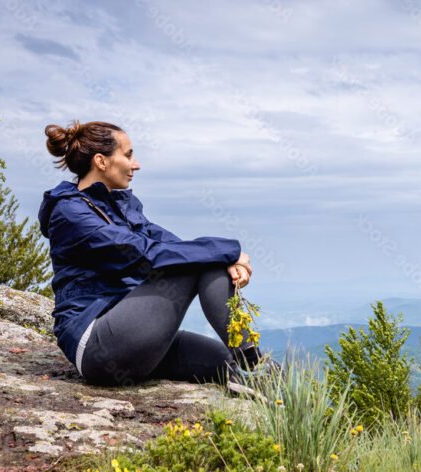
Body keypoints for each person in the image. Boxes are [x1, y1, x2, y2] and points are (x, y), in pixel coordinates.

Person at [38, 120, 272, 394]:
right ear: (101, 161)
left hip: (133, 332)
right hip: (97, 345)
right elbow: (144, 254)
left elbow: (171, 245)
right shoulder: (72, 214)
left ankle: (265, 382)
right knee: (197, 262)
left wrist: (227, 259)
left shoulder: (121, 207)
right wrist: (230, 251)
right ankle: (252, 361)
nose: (135, 164)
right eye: (128, 155)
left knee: (222, 361)